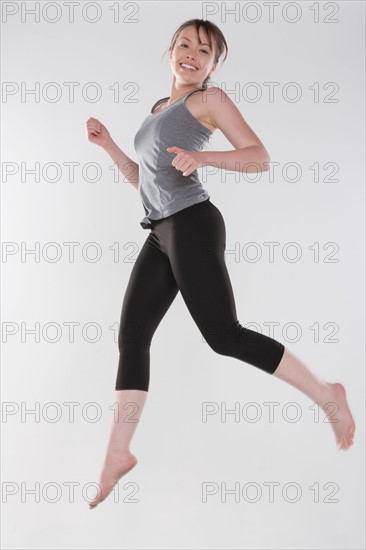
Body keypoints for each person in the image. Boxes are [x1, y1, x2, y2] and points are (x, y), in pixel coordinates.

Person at [85, 18, 355, 509]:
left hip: (193, 225)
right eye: (185, 44)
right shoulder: (158, 110)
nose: (192, 53)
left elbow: (259, 157)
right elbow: (144, 183)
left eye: (204, 51)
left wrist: (203, 160)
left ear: (213, 66)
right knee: (132, 335)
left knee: (222, 335)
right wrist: (109, 148)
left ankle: (326, 395)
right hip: (160, 231)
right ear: (171, 50)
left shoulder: (209, 102)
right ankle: (117, 455)